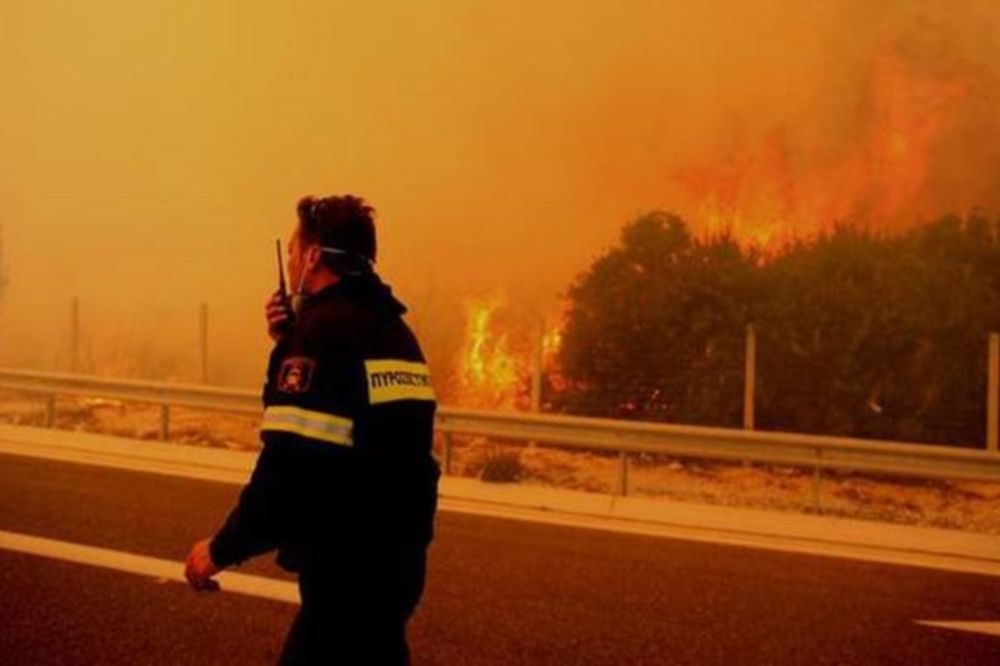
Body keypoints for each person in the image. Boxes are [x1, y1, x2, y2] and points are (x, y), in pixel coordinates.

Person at [185, 194, 440, 665]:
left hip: (347, 575)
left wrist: (219, 550)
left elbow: (287, 467)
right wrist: (289, 341)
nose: (290, 265)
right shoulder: (397, 333)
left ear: (313, 257)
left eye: (292, 254)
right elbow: (362, 432)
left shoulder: (319, 336)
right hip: (401, 567)